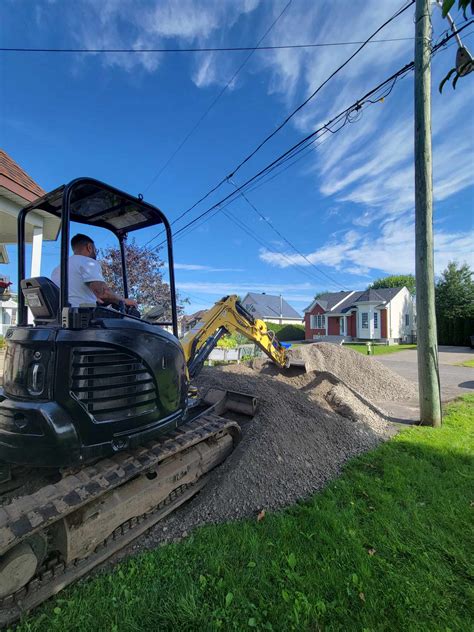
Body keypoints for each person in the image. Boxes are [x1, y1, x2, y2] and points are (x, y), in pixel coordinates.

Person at [51, 233, 138, 309]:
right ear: (89, 247)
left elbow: (73, 293)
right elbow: (103, 293)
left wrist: (95, 299)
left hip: (63, 316)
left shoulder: (58, 269)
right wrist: (124, 301)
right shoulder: (88, 262)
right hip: (83, 318)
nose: (96, 253)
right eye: (95, 250)